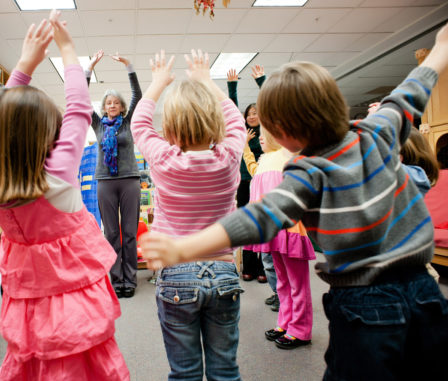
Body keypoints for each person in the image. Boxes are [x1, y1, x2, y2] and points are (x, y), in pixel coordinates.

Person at [140, 23, 448, 380]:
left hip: (366, 303)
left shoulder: (306, 173)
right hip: (426, 290)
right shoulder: (378, 130)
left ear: (283, 133)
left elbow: (259, 217)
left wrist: (184, 248)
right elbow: (412, 90)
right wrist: (440, 49)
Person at [0, 12, 129, 380]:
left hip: (28, 312)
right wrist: (68, 50)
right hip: (72, 310)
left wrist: (26, 64)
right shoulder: (57, 175)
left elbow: (0, 122)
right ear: (49, 134)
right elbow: (78, 108)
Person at [131, 49, 246, 380]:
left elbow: (139, 123)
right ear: (216, 124)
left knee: (185, 371)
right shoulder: (228, 158)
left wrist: (157, 84)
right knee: (225, 369)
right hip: (224, 273)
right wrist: (207, 81)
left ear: (169, 128)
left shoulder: (164, 160)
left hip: (176, 275)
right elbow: (235, 118)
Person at [243, 127, 315, 349]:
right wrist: (246, 146)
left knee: (297, 283)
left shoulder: (288, 155)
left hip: (290, 229)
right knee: (282, 281)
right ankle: (285, 322)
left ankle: (301, 330)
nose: (261, 138)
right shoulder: (265, 159)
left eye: (267, 134)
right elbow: (252, 167)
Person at [86, 49, 142, 298]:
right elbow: (79, 98)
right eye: (108, 103)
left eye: (116, 103)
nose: (112, 106)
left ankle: (130, 279)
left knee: (129, 232)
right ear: (104, 107)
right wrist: (89, 69)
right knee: (110, 233)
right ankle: (116, 278)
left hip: (129, 180)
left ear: (121, 107)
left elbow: (138, 95)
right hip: (105, 182)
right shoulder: (97, 124)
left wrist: (129, 66)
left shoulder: (128, 122)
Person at [227, 66, 269, 284]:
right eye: (249, 113)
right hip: (244, 183)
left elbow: (273, 104)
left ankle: (264, 267)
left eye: (256, 113)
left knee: (262, 225)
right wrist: (232, 86)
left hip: (264, 183)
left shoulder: (268, 131)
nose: (252, 115)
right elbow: (233, 111)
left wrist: (262, 81)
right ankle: (250, 267)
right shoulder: (241, 131)